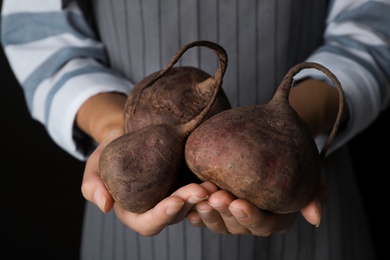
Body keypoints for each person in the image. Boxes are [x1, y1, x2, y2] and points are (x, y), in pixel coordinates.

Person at [2, 0, 390, 259]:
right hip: (129, 243)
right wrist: (110, 128)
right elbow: (37, 30)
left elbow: (377, 23)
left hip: (314, 230)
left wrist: (297, 130)